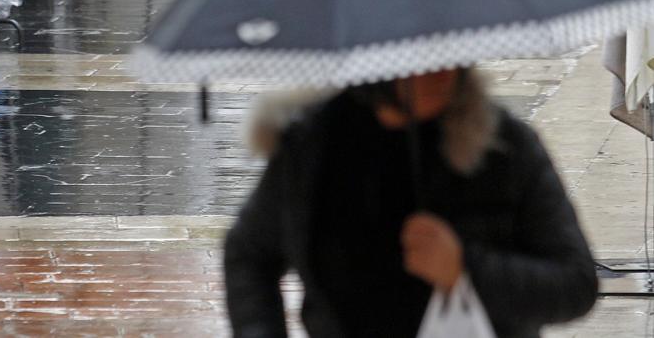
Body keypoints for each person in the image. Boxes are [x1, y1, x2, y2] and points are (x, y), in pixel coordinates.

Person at [225, 68, 598, 337]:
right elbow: (248, 252)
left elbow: (575, 284)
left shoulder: (503, 148)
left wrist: (465, 268)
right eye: (418, 59)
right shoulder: (314, 147)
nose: (440, 70)